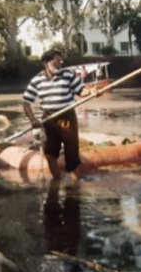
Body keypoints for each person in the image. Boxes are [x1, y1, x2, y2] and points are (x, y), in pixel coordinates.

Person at [22, 49, 95, 180]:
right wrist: (33, 120)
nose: (60, 64)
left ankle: (75, 185)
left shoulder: (68, 74)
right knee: (50, 153)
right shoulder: (37, 80)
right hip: (48, 119)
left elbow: (81, 90)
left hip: (67, 117)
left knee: (72, 152)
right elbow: (26, 102)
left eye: (61, 61)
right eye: (57, 62)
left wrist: (91, 92)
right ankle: (57, 181)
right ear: (46, 62)